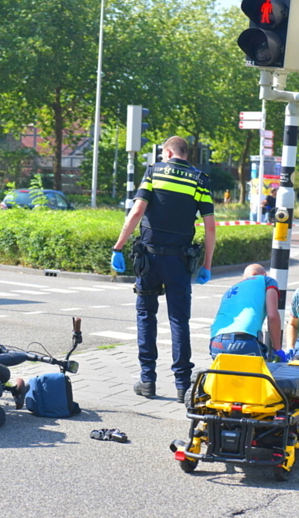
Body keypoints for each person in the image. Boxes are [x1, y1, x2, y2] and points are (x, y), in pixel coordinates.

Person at [111, 136, 216, 402]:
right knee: (179, 321)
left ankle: (147, 380)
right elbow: (210, 227)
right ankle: (182, 385)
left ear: (167, 152)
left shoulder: (154, 172)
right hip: (180, 262)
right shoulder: (199, 179)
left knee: (146, 316)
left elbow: (137, 212)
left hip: (149, 260)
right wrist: (206, 265)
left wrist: (118, 247)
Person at [208, 263, 284, 360]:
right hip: (244, 341)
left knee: (226, 374)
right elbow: (272, 316)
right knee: (260, 374)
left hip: (216, 343)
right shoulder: (266, 281)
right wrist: (277, 349)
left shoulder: (231, 289)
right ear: (265, 274)